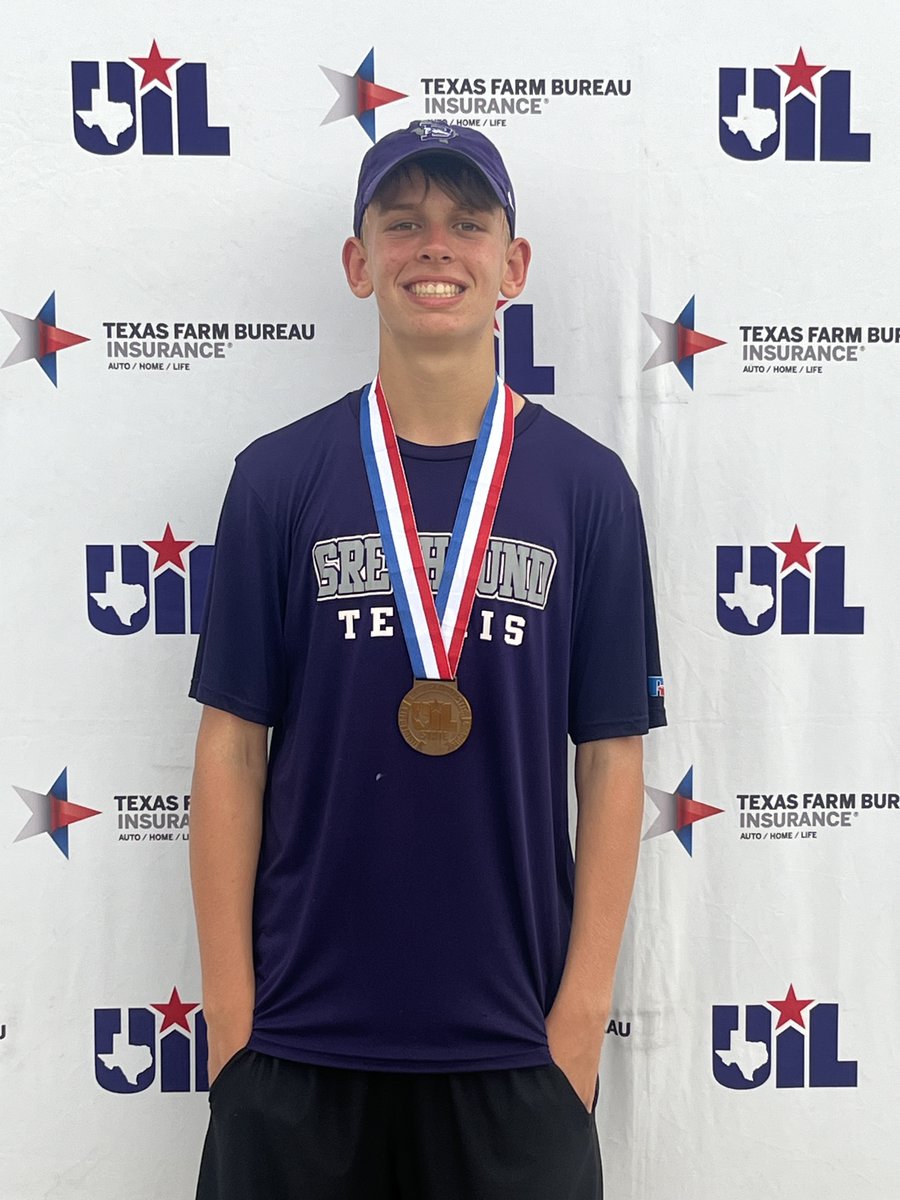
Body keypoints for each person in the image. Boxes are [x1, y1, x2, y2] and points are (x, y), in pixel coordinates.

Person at [189, 119, 666, 1200]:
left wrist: (579, 1023)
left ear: (514, 265)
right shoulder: (277, 479)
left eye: (466, 224)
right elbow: (229, 751)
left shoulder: (587, 491)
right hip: (296, 1045)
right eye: (401, 225)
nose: (433, 248)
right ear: (360, 265)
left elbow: (611, 759)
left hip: (514, 1046)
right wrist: (231, 1021)